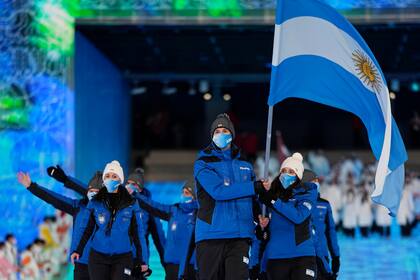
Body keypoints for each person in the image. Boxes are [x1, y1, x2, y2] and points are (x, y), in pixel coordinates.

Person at [193, 113, 265, 280]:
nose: (221, 134)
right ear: (212, 135)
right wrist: (254, 186)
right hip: (211, 236)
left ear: (232, 134)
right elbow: (219, 192)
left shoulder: (245, 165)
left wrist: (259, 217)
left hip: (240, 237)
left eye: (225, 130)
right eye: (217, 131)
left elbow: (253, 198)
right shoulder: (203, 163)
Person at [17, 170, 103, 280]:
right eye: (91, 190)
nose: (93, 194)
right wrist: (31, 186)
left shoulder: (109, 208)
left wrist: (66, 180)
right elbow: (52, 198)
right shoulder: (77, 206)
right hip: (81, 264)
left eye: (97, 191)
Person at [71, 160, 148, 280]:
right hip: (98, 257)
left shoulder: (131, 203)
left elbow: (138, 233)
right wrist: (77, 249)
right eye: (107, 176)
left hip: (123, 257)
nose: (110, 179)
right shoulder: (95, 201)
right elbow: (86, 228)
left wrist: (142, 259)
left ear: (120, 179)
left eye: (114, 176)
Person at [256, 153, 318, 280]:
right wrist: (263, 225)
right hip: (276, 256)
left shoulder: (307, 193)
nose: (286, 174)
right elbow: (262, 226)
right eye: (283, 171)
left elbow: (298, 216)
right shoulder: (271, 194)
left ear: (298, 175)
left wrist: (273, 200)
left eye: (291, 171)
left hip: (302, 255)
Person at [133, 180, 198, 280]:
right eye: (182, 192)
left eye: (187, 193)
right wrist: (135, 195)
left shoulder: (199, 216)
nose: (183, 195)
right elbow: (153, 205)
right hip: (172, 266)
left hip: (190, 267)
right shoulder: (174, 210)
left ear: (194, 197)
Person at [126, 168, 166, 269]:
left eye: (133, 184)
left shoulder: (149, 208)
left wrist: (167, 263)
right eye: (128, 183)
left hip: (140, 257)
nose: (129, 186)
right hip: (121, 255)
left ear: (140, 189)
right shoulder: (119, 203)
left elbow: (159, 237)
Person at [304, 171, 340, 280]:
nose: (316, 183)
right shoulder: (297, 204)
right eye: (313, 181)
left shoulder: (324, 204)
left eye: (317, 180)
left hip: (322, 256)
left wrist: (336, 256)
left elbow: (331, 232)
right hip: (303, 256)